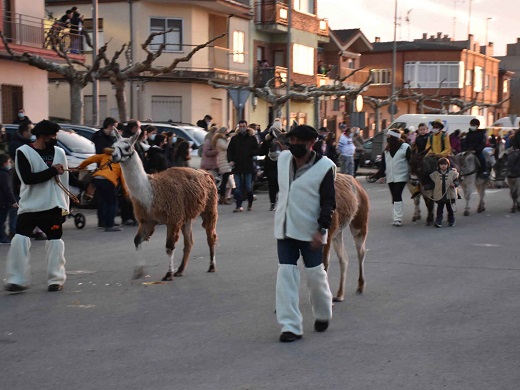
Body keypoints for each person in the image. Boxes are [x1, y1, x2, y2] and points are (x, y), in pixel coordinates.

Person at [274, 124, 336, 343]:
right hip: (284, 229)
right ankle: (290, 326)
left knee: (315, 276)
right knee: (286, 275)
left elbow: (329, 202)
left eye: (300, 142)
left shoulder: (325, 166)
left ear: (311, 144)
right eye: (292, 141)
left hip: (311, 232)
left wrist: (322, 229)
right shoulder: (282, 160)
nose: (295, 145)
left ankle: (323, 312)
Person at [4, 120, 69, 293]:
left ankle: (56, 280)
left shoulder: (59, 152)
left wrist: (66, 205)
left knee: (55, 241)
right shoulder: (23, 152)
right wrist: (53, 170)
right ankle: (16, 279)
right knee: (20, 240)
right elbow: (28, 179)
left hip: (53, 205)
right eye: (52, 135)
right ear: (43, 136)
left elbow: (65, 180)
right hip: (30, 205)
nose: (55, 138)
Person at [77, 147, 127, 231]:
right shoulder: (121, 162)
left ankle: (103, 222)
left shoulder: (105, 155)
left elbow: (91, 159)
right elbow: (123, 179)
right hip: (108, 180)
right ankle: (109, 225)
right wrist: (126, 192)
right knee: (112, 202)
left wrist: (81, 167)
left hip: (97, 178)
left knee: (103, 201)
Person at [377, 129, 411, 227]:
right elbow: (383, 165)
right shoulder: (386, 150)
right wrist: (380, 175)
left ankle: (398, 219)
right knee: (394, 196)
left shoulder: (405, 147)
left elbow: (410, 161)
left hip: (402, 175)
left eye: (389, 137)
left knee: (397, 194)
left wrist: (411, 175)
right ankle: (395, 216)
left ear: (394, 137)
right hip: (390, 176)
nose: (387, 139)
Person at [227, 120, 260, 212]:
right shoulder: (234, 139)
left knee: (248, 187)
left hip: (247, 165)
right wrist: (230, 160)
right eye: (240, 126)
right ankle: (239, 205)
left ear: (246, 126)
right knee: (237, 187)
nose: (242, 128)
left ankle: (250, 203)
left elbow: (257, 150)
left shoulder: (251, 138)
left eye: (243, 126)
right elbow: (229, 150)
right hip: (237, 166)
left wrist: (250, 153)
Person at [259, 119, 284, 211]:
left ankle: (276, 202)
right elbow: (261, 152)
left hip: (279, 165)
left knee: (277, 185)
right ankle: (273, 202)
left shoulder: (283, 138)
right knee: (273, 185)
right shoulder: (268, 139)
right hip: (272, 165)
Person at [430, 157, 459, 228]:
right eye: (441, 164)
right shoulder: (435, 174)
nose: (443, 166)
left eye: (445, 164)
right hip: (440, 195)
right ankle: (438, 221)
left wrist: (454, 184)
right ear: (439, 165)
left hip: (449, 195)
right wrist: (427, 187)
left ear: (448, 165)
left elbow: (457, 181)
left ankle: (451, 220)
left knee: (450, 209)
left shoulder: (453, 173)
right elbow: (433, 183)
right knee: (440, 209)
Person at [0, 154, 18, 244]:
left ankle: (3, 236)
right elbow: (7, 189)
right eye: (9, 162)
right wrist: (13, 201)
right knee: (1, 220)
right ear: (4, 163)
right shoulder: (4, 174)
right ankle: (2, 237)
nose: (10, 164)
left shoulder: (5, 173)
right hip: (3, 201)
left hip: (3, 201)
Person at [212, 127, 232, 205]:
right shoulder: (220, 140)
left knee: (225, 181)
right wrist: (229, 139)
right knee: (225, 181)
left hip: (225, 161)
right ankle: (223, 197)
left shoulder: (222, 140)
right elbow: (227, 147)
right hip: (223, 162)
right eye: (226, 132)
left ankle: (223, 197)